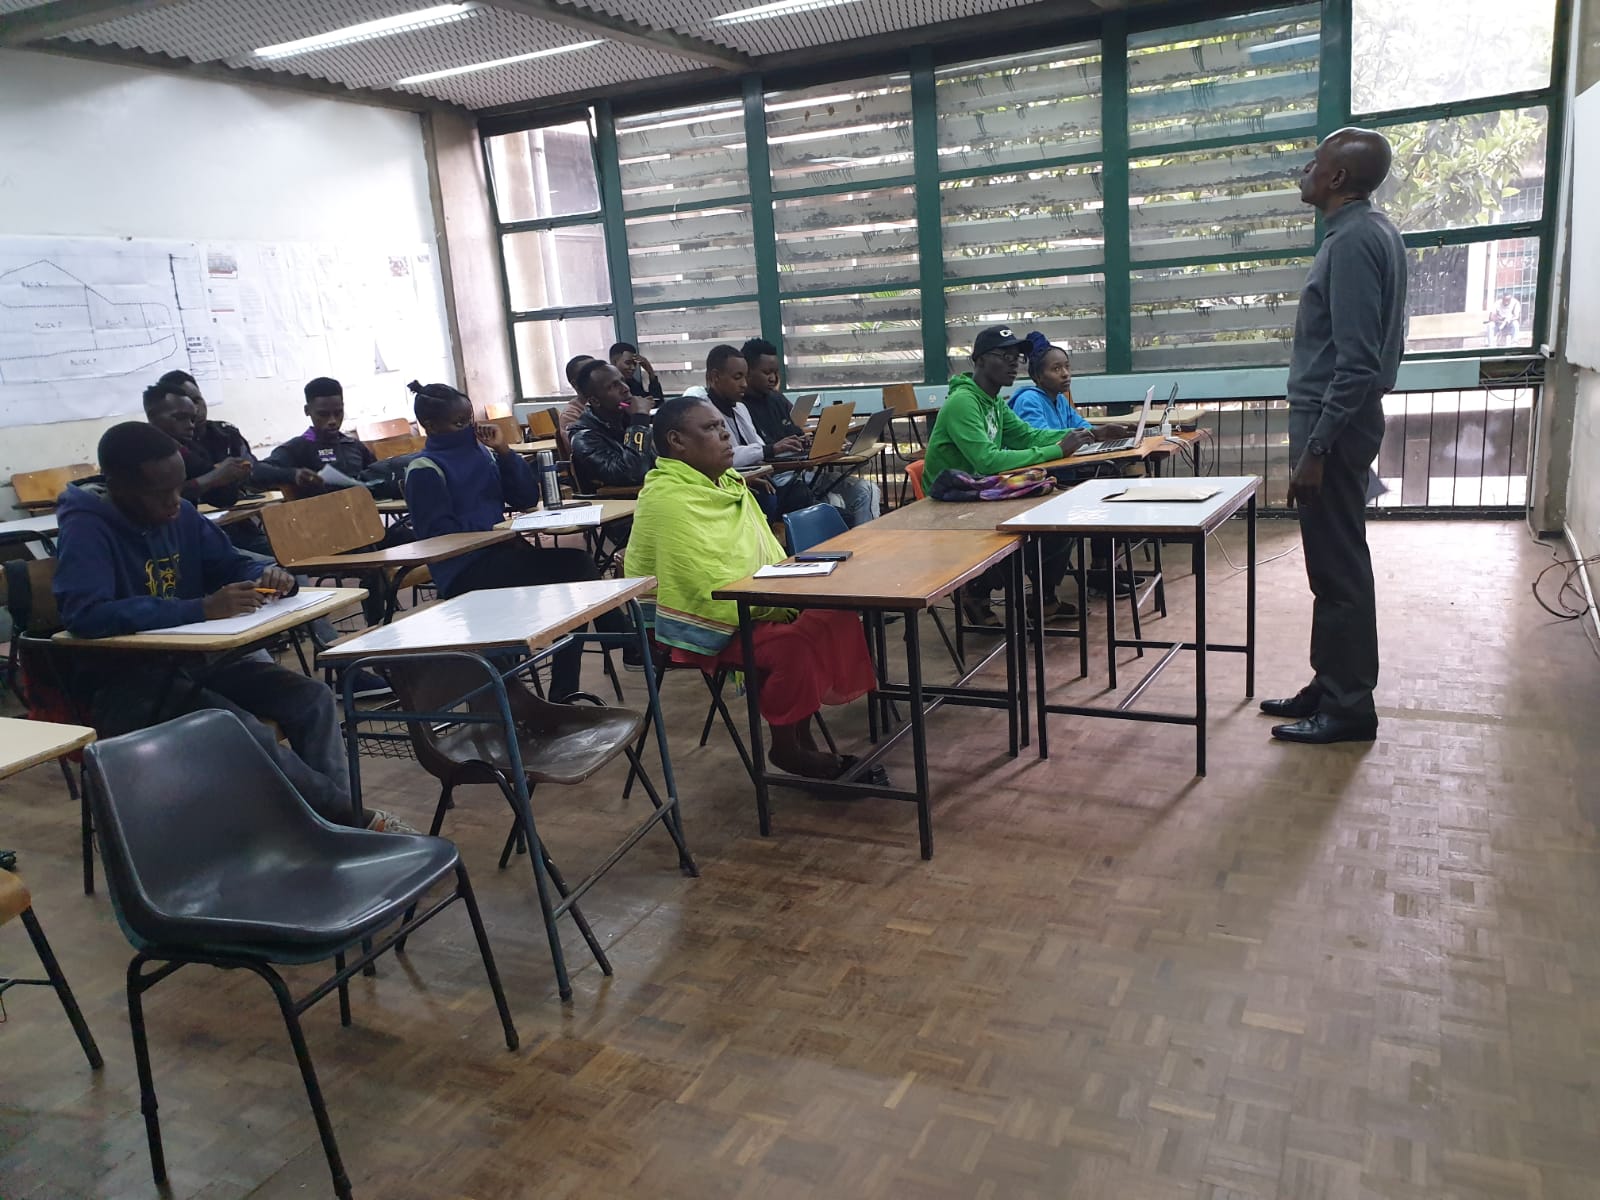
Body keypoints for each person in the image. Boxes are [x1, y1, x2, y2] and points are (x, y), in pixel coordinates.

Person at [51, 422, 410, 831]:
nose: (175, 502)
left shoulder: (182, 514)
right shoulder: (86, 526)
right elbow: (86, 614)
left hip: (196, 662)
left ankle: (331, 829)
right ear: (118, 486)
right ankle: (349, 821)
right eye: (160, 492)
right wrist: (200, 609)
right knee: (239, 728)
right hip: (131, 682)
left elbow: (230, 563)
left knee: (312, 698)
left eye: (179, 488)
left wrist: (271, 575)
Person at [626, 397, 876, 779]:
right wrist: (767, 599)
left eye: (722, 426)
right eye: (710, 428)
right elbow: (697, 583)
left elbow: (759, 554)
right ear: (677, 441)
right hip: (697, 620)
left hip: (750, 600)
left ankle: (802, 736)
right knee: (794, 643)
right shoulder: (667, 500)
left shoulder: (727, 485)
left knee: (832, 616)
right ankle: (787, 748)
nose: (725, 434)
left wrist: (780, 591)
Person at [1264, 127, 1407, 746]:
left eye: (1315, 162)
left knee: (1338, 570)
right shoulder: (1373, 232)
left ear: (1338, 178)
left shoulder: (1352, 242)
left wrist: (1316, 450)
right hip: (1343, 422)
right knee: (1333, 566)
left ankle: (1349, 706)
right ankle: (1331, 684)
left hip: (1332, 427)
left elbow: (1355, 363)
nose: (1305, 169)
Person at [402, 380, 618, 697]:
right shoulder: (425, 468)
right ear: (430, 426)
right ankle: (615, 637)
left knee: (576, 580)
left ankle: (568, 686)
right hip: (464, 570)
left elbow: (525, 497)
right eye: (459, 423)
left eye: (470, 419)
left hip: (502, 555)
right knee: (576, 568)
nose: (469, 428)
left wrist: (504, 452)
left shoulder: (483, 453)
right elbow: (440, 538)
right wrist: (495, 532)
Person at [922, 326, 1086, 624]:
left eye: (1017, 357)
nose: (1014, 363)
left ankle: (1042, 599)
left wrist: (1087, 434)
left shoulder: (995, 402)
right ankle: (976, 589)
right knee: (1037, 534)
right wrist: (1058, 450)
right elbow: (987, 461)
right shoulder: (963, 402)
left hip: (983, 492)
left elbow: (1026, 436)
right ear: (980, 360)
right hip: (951, 503)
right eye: (1005, 355)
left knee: (1063, 520)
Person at [1009, 338, 1135, 595]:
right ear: (1037, 376)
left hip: (1065, 472)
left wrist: (1102, 433)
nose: (1065, 373)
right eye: (1056, 369)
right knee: (1107, 493)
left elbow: (1082, 428)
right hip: (1045, 477)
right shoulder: (1029, 400)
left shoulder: (1059, 399)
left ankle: (1104, 566)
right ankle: (1099, 571)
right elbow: (1039, 438)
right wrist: (1092, 435)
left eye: (1067, 366)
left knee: (1118, 488)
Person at [741, 337, 880, 528]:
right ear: (747, 371)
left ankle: (869, 544)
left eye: (775, 372)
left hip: (803, 474)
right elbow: (756, 456)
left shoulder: (776, 399)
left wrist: (819, 443)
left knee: (867, 490)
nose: (773, 378)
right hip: (781, 481)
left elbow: (797, 435)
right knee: (835, 503)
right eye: (766, 373)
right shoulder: (741, 408)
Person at [265, 377, 378, 480]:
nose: (332, 421)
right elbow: (258, 472)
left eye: (338, 413)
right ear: (307, 411)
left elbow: (377, 475)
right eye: (323, 414)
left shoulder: (354, 445)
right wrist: (293, 474)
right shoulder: (297, 447)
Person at [570, 361, 653, 493]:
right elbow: (633, 473)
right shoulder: (584, 437)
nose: (625, 388)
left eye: (622, 381)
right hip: (621, 501)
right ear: (595, 401)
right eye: (613, 386)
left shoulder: (625, 419)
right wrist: (639, 421)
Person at [558, 354, 596, 435]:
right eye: (589, 374)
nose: (598, 376)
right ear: (575, 384)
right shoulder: (570, 415)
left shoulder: (613, 401)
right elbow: (581, 441)